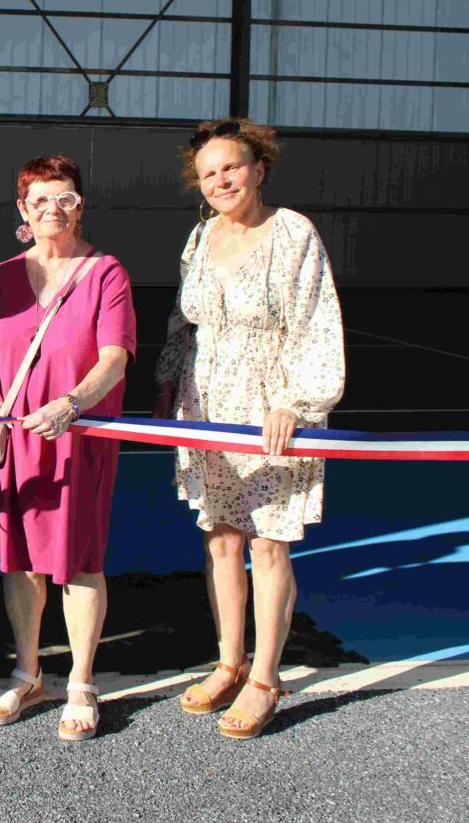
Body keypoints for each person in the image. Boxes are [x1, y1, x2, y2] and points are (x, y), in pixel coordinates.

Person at [153, 118, 345, 740]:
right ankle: (229, 661)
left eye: (231, 167)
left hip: (270, 406)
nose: (220, 180)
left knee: (267, 543)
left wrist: (297, 400)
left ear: (259, 169)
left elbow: (316, 322)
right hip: (205, 401)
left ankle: (266, 676)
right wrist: (166, 384)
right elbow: (185, 323)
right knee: (221, 539)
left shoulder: (294, 234)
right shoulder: (200, 237)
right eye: (208, 174)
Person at [0, 155, 136, 741]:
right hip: (13, 444)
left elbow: (115, 357)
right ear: (22, 211)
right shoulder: (4, 275)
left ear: (80, 205)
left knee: (81, 561)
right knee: (20, 563)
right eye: (39, 200)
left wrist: (72, 403)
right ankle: (28, 672)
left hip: (76, 440)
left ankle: (83, 682)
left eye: (64, 198)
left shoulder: (107, 272)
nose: (52, 210)